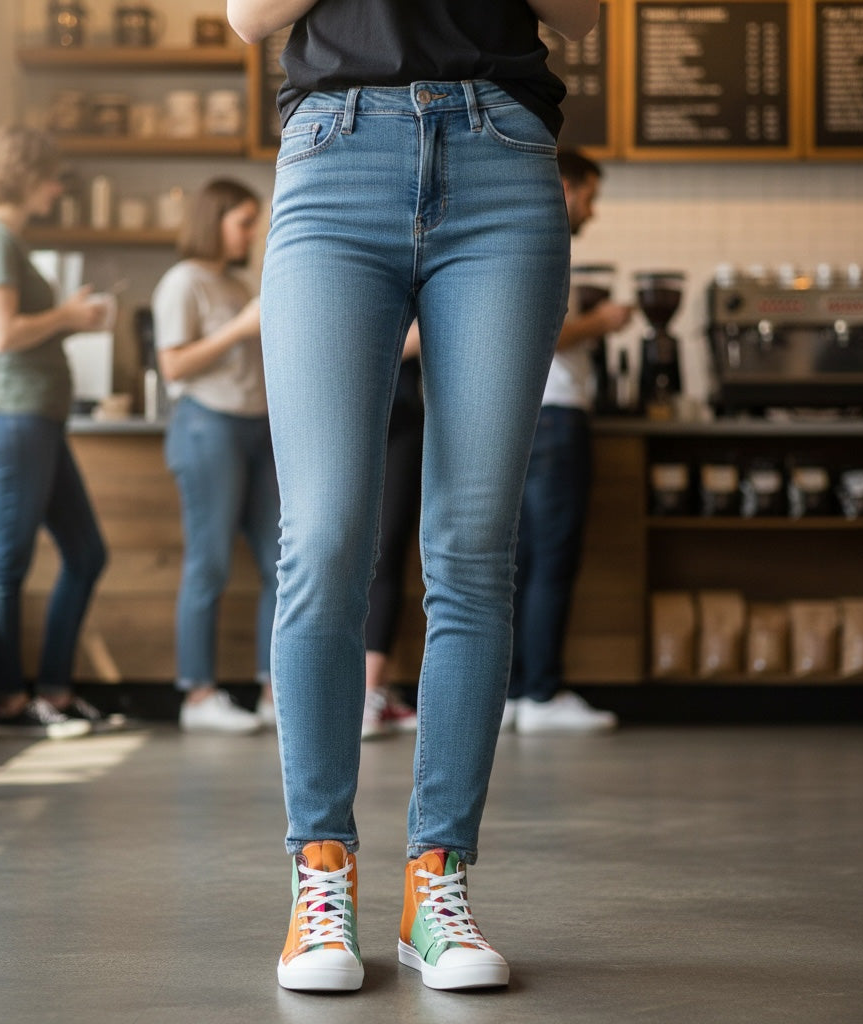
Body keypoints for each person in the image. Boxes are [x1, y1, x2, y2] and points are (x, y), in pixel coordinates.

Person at [228, 0, 599, 994]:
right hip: (333, 154)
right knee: (324, 535)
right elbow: (247, 15)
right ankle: (321, 876)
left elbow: (585, 15)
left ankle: (438, 881)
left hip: (502, 153)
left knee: (472, 545)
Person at [0, 124, 113, 738]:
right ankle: (8, 704)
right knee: (6, 563)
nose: (56, 187)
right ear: (25, 175)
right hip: (11, 415)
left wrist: (67, 321)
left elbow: (17, 328)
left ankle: (52, 692)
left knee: (85, 553)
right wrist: (70, 315)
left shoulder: (2, 239)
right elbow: (2, 335)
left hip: (31, 418)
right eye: (50, 175)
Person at [505, 150, 629, 736]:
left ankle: (511, 695)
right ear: (565, 186)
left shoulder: (504, 231)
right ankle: (542, 693)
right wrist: (602, 323)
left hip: (518, 415)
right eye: (589, 196)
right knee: (551, 560)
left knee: (518, 563)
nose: (591, 211)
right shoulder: (541, 238)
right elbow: (546, 331)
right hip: (554, 416)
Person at [152, 179, 280, 735]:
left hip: (256, 427)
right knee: (210, 563)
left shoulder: (236, 282)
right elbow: (174, 366)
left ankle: (278, 693)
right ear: (214, 220)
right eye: (244, 222)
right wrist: (240, 326)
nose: (252, 233)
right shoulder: (183, 282)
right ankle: (198, 695)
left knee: (284, 564)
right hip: (208, 426)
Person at [362, 324, 423, 740]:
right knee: (379, 553)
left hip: (398, 413)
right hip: (383, 415)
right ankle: (365, 695)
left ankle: (374, 689)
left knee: (386, 551)